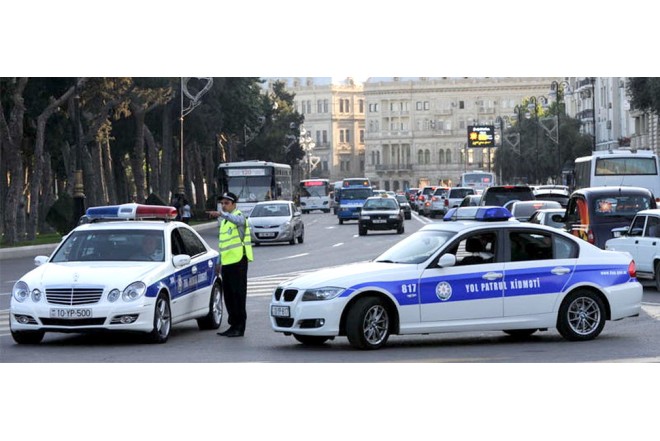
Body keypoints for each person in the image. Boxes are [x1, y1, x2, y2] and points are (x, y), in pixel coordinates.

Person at [206, 192, 253, 337]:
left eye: (227, 203)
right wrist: (219, 263)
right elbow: (223, 245)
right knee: (229, 296)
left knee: (238, 295)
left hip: (239, 261)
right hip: (227, 262)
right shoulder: (225, 222)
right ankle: (233, 325)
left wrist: (221, 214)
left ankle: (240, 327)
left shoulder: (239, 216)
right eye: (222, 203)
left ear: (234, 204)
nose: (224, 205)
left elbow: (238, 221)